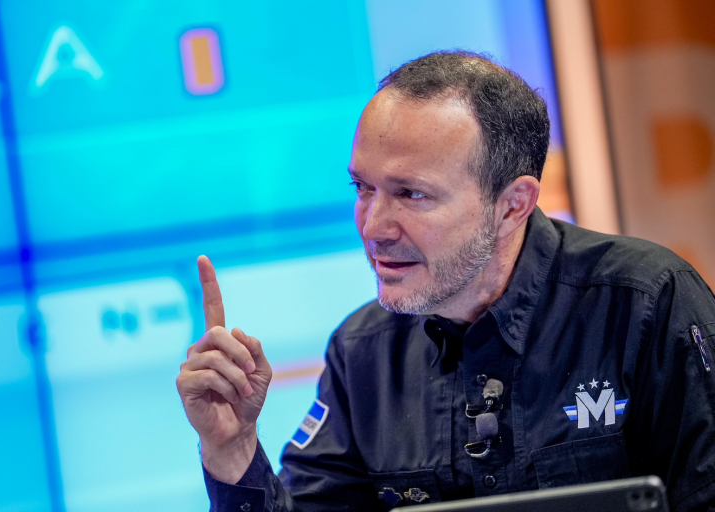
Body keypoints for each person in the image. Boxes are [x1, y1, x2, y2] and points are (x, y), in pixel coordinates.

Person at [176, 51, 715, 512]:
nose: (374, 227)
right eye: (363, 189)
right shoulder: (361, 352)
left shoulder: (647, 304)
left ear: (512, 205)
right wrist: (232, 448)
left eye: (411, 194)